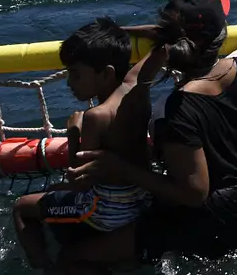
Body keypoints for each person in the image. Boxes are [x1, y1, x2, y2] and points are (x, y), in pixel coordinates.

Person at [55, 0, 237, 271]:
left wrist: (119, 167)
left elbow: (195, 193)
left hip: (208, 223)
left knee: (73, 256)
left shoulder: (175, 109)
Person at [12, 16, 167, 271]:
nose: (69, 83)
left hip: (106, 211)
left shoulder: (97, 116)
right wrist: (119, 32)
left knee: (22, 208)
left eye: (75, 74)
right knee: (54, 190)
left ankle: (44, 267)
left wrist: (73, 132)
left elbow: (80, 181)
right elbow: (164, 43)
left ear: (105, 73)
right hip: (140, 197)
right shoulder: (137, 86)